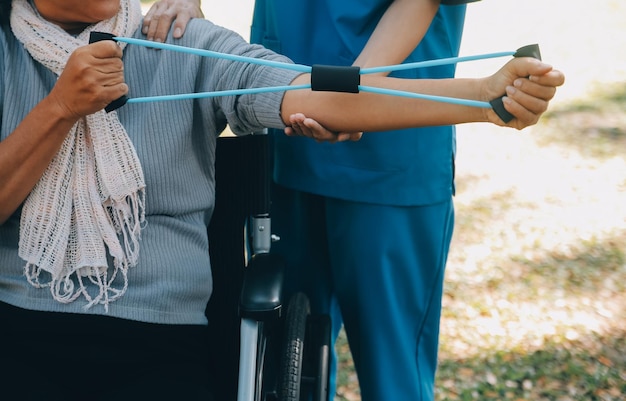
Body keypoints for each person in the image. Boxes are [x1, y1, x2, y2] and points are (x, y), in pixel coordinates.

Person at [0, 0, 563, 399]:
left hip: (160, 344)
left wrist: (487, 97)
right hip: (19, 332)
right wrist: (59, 108)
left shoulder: (183, 43)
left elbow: (323, 96)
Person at [247, 1, 508, 400]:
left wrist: (349, 95)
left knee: (394, 380)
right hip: (287, 145)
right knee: (287, 380)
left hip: (390, 164)